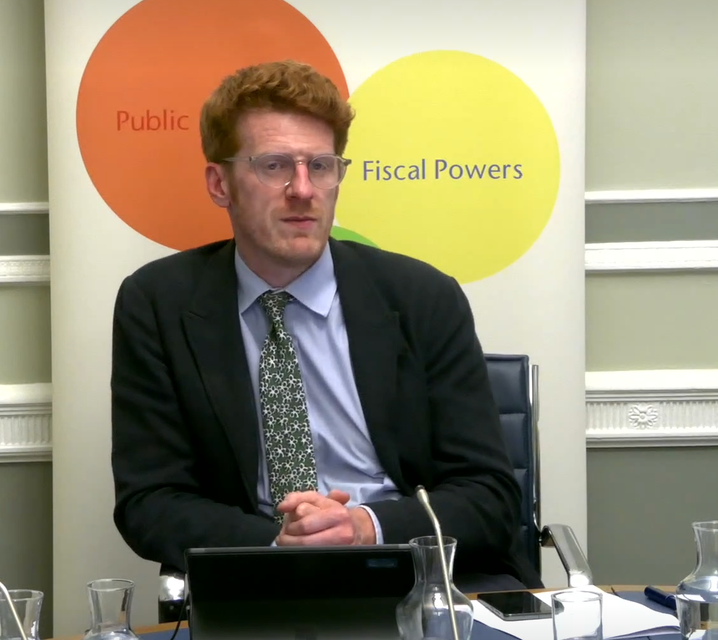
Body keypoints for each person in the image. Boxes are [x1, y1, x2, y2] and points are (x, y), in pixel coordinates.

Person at [110, 59, 541, 590]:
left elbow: (491, 496)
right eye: (273, 166)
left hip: (413, 572)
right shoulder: (158, 303)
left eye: (320, 165)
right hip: (255, 578)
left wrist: (364, 527)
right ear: (219, 183)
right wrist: (277, 543)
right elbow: (148, 501)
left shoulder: (422, 297)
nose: (303, 189)